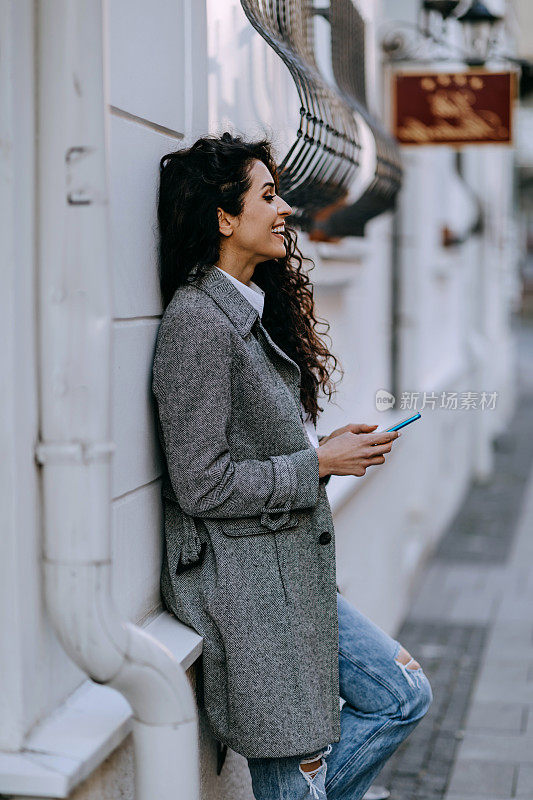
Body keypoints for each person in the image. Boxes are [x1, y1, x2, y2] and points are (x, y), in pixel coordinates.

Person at [152, 132, 433, 800]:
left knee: (400, 693)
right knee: (299, 770)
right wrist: (315, 465)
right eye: (268, 196)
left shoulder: (245, 311)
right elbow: (200, 483)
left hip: (288, 579)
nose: (285, 212)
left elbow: (255, 455)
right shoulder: (197, 321)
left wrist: (325, 456)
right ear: (223, 217)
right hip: (250, 593)